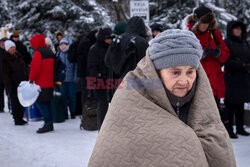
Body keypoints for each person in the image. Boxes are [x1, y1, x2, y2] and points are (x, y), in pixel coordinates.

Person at [88, 29, 236, 167]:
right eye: (175, 72)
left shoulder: (201, 99)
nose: (184, 81)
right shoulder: (130, 95)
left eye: (190, 72)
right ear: (156, 73)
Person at [182, 6, 230, 128]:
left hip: (214, 82)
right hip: (197, 82)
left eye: (208, 23)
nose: (205, 26)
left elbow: (225, 54)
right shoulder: (188, 34)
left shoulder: (215, 33)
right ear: (197, 21)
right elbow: (183, 58)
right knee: (197, 117)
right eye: (203, 23)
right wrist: (199, 55)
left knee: (213, 119)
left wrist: (217, 53)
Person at [224, 20, 250, 138]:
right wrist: (241, 65)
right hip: (231, 77)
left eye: (240, 28)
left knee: (241, 103)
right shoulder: (226, 42)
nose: (238, 30)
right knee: (231, 105)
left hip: (243, 77)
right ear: (231, 30)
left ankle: (240, 127)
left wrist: (247, 65)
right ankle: (229, 129)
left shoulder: (245, 43)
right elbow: (225, 60)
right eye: (236, 28)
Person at [29, 34, 55, 133]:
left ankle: (47, 123)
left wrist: (31, 79)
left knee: (40, 103)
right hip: (49, 82)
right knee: (48, 103)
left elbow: (35, 68)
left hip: (41, 83)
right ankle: (50, 123)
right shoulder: (49, 51)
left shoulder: (38, 53)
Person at [87, 27, 112, 130]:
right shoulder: (95, 49)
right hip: (100, 80)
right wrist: (95, 82)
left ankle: (107, 125)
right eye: (107, 38)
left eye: (110, 38)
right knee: (103, 104)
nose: (109, 40)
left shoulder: (110, 47)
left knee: (110, 103)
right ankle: (102, 126)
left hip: (110, 79)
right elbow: (92, 67)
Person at [2, 40, 28, 125]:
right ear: (7, 49)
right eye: (11, 48)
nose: (13, 49)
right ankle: (17, 118)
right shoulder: (5, 59)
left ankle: (21, 117)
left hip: (22, 83)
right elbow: (5, 74)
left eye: (13, 47)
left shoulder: (18, 56)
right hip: (13, 84)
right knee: (15, 102)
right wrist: (9, 85)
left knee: (21, 101)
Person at [56, 37, 78, 119]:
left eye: (65, 44)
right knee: (63, 97)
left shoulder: (72, 54)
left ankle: (73, 112)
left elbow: (76, 66)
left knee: (72, 97)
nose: (63, 46)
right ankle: (65, 112)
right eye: (61, 44)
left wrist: (76, 77)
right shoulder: (58, 54)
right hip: (62, 80)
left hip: (72, 79)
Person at [0, 38, 8, 113]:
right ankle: (1, 107)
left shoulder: (8, 51)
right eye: (2, 42)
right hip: (0, 74)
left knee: (9, 91)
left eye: (4, 42)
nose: (3, 43)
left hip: (8, 74)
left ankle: (11, 107)